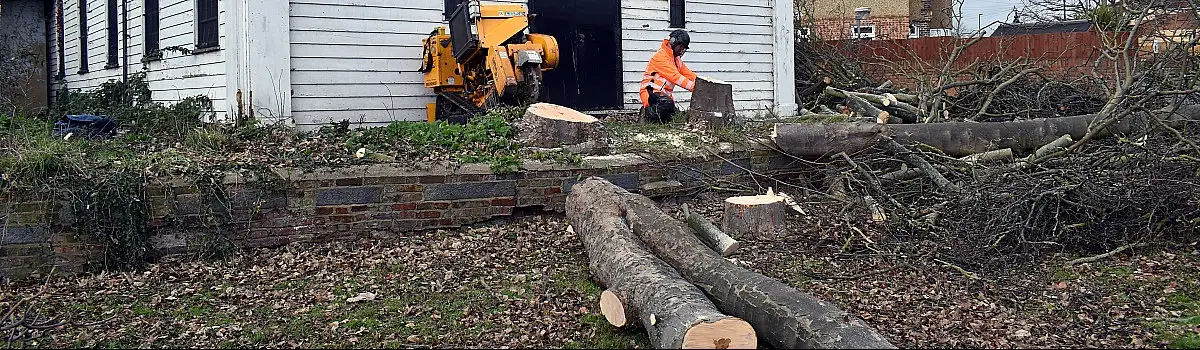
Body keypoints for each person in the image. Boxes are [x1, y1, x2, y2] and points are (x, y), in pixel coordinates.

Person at [639, 30, 697, 124]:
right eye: (681, 47)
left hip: (664, 98)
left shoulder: (676, 60)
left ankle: (658, 118)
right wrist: (696, 88)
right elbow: (676, 77)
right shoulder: (661, 57)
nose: (682, 50)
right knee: (667, 105)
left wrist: (703, 83)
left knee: (675, 115)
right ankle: (647, 115)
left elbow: (689, 74)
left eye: (684, 48)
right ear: (673, 42)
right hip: (651, 94)